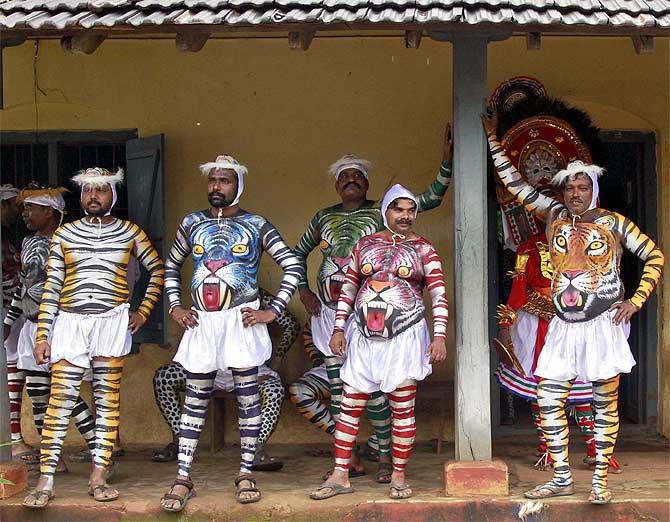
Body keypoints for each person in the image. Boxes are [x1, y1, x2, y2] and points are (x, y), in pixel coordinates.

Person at [483, 110, 664, 504]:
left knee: (603, 401)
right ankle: (562, 476)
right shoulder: (553, 217)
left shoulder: (615, 223)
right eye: (569, 188)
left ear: (593, 189)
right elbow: (516, 186)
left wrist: (635, 301)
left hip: (602, 324)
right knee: (548, 397)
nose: (575, 194)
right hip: (563, 325)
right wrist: (494, 142)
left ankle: (599, 481)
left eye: (582, 187)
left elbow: (654, 256)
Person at [294, 126, 453, 482]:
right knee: (344, 394)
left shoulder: (394, 220)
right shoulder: (324, 218)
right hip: (342, 320)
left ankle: (387, 461)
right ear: (337, 185)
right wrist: (304, 290)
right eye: (344, 177)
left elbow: (429, 198)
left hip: (399, 330)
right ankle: (346, 463)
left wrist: (446, 163)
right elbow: (303, 255)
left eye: (357, 176)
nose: (350, 181)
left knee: (387, 397)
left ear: (368, 185)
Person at [160, 155, 302, 511]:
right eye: (212, 181)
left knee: (248, 397)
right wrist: (175, 306)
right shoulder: (192, 222)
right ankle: (183, 477)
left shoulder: (256, 224)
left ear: (238, 185)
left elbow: (292, 264)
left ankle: (245, 472)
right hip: (202, 323)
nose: (216, 186)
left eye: (224, 181)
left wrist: (273, 310)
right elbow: (171, 265)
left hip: (242, 322)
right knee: (195, 398)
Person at [22, 167, 165, 509]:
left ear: (112, 195)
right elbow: (52, 287)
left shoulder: (129, 232)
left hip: (112, 320)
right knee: (61, 398)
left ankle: (99, 474)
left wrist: (142, 312)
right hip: (70, 322)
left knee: (107, 399)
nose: (93, 196)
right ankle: (46, 478)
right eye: (87, 191)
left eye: (100, 190)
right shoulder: (65, 235)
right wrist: (43, 335)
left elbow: (157, 269)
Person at [310, 184, 448, 501]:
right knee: (349, 406)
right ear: (386, 211)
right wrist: (338, 329)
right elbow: (348, 288)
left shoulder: (424, 249)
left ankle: (399, 476)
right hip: (363, 337)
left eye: (410, 209)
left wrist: (439, 335)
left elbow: (438, 293)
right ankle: (340, 475)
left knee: (403, 408)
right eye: (398, 208)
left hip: (406, 337)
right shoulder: (365, 244)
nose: (405, 215)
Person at [495, 232, 620, 472]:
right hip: (538, 324)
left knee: (582, 387)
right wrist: (505, 326)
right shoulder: (529, 247)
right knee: (542, 389)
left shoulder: (593, 243)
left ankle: (594, 448)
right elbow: (518, 289)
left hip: (580, 321)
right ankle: (549, 449)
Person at [4, 184, 98, 473]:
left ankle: (99, 453)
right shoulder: (30, 243)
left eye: (31, 207)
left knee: (65, 392)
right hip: (32, 327)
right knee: (38, 392)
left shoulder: (69, 241)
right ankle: (52, 458)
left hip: (60, 326)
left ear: (49, 211)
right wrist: (9, 322)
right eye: (23, 208)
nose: (24, 213)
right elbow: (25, 287)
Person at [152, 288, 300, 471]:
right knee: (164, 377)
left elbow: (291, 324)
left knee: (274, 389)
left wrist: (276, 359)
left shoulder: (258, 296)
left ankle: (256, 448)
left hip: (249, 366)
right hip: (207, 367)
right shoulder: (203, 290)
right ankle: (179, 441)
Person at [1, 183, 32, 461]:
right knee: (12, 374)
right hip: (7, 311)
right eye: (15, 206)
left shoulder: (10, 235)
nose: (21, 212)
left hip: (15, 311)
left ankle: (16, 438)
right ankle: (13, 440)